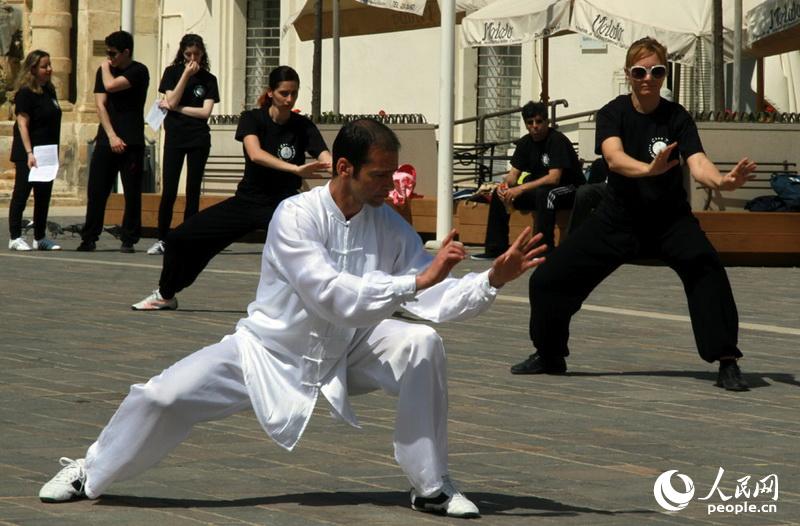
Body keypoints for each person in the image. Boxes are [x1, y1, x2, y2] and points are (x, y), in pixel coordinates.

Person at [38, 119, 547, 518]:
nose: (390, 186)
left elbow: (430, 298)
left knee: (421, 344)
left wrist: (491, 280)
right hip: (267, 349)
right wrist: (415, 282)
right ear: (343, 167)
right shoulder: (295, 216)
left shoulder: (389, 224)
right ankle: (90, 471)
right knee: (162, 396)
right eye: (379, 175)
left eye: (393, 174)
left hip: (350, 348)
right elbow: (330, 294)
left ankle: (432, 487)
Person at [514, 37, 757, 392]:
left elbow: (698, 162)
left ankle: (727, 361)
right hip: (618, 219)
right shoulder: (613, 113)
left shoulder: (677, 117)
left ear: (665, 74)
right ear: (629, 74)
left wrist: (723, 180)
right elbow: (613, 157)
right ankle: (550, 354)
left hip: (670, 221)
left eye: (656, 71)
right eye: (640, 71)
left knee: (706, 268)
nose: (648, 78)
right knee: (547, 279)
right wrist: (648, 170)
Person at [131, 65, 330, 310]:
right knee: (179, 238)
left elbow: (325, 157)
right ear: (270, 93)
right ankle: (165, 294)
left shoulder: (303, 126)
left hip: (285, 205)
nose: (289, 99)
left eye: (293, 94)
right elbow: (256, 154)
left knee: (316, 249)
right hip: (248, 202)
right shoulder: (252, 119)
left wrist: (337, 167)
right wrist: (296, 170)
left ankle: (329, 301)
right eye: (284, 93)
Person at [471, 101, 582, 260]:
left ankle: (544, 248)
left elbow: (554, 178)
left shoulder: (557, 140)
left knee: (547, 194)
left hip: (568, 188)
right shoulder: (525, 143)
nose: (535, 126)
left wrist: (521, 189)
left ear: (546, 122)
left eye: (539, 121)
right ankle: (495, 249)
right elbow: (513, 175)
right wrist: (506, 186)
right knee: (498, 194)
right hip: (540, 189)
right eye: (530, 123)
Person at [146, 34, 219, 256]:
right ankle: (163, 238)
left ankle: (188, 237)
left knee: (193, 189)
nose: (193, 58)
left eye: (197, 54)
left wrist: (176, 109)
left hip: (198, 138)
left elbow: (204, 112)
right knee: (169, 190)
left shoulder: (209, 79)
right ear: (182, 53)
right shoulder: (172, 73)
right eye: (188, 54)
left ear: (202, 54)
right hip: (175, 137)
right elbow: (172, 98)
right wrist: (186, 75)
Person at [77, 30, 149, 253]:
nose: (109, 57)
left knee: (132, 192)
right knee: (97, 190)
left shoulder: (138, 71)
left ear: (126, 52)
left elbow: (111, 86)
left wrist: (105, 69)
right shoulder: (106, 70)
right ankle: (89, 237)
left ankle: (129, 238)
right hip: (108, 138)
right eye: (107, 52)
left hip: (132, 140)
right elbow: (100, 104)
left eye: (113, 53)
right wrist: (111, 136)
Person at [8, 50, 62, 251]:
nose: (49, 69)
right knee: (21, 193)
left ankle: (40, 237)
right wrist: (30, 153)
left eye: (49, 65)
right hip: (28, 152)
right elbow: (22, 124)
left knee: (43, 195)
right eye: (44, 66)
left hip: (47, 151)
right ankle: (14, 236)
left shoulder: (49, 91)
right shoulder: (25, 93)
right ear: (33, 69)